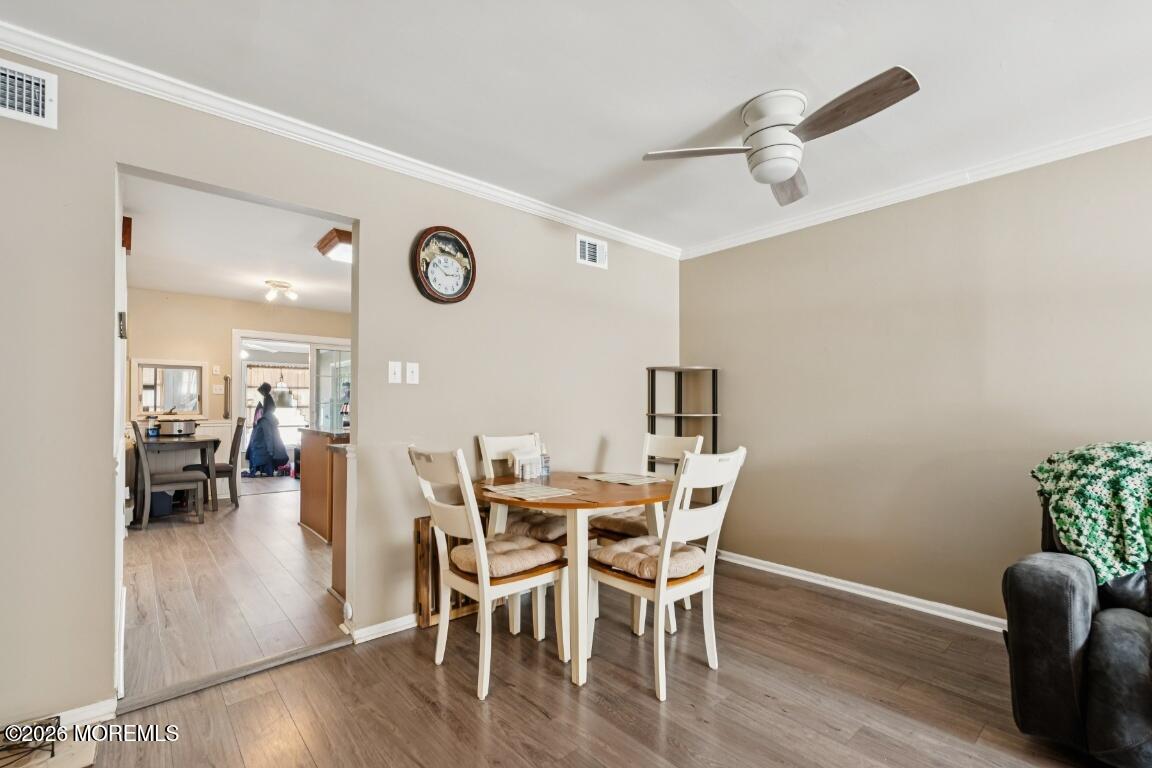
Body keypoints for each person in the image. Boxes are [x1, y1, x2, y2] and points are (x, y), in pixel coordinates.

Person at [245, 382, 290, 476]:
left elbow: (268, 436)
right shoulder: (267, 402)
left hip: (265, 434)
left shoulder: (267, 403)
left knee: (262, 445)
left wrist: (270, 451)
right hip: (264, 431)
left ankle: (264, 466)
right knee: (260, 445)